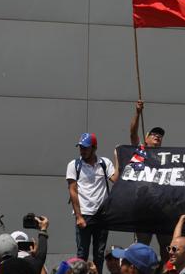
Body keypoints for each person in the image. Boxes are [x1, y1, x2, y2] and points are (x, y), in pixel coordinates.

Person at [67, 133, 118, 274]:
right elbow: (72, 191)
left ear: (94, 148)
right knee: (82, 253)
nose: (82, 150)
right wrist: (78, 216)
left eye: (85, 148)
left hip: (102, 215)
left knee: (99, 254)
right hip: (84, 215)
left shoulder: (104, 163)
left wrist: (117, 158)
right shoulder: (74, 165)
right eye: (81, 147)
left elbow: (116, 179)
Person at [130, 100, 170, 262]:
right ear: (146, 138)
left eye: (160, 136)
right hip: (143, 207)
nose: (158, 137)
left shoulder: (167, 158)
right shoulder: (139, 152)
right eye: (154, 134)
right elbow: (133, 133)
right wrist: (138, 113)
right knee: (142, 246)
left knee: (166, 246)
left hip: (162, 208)